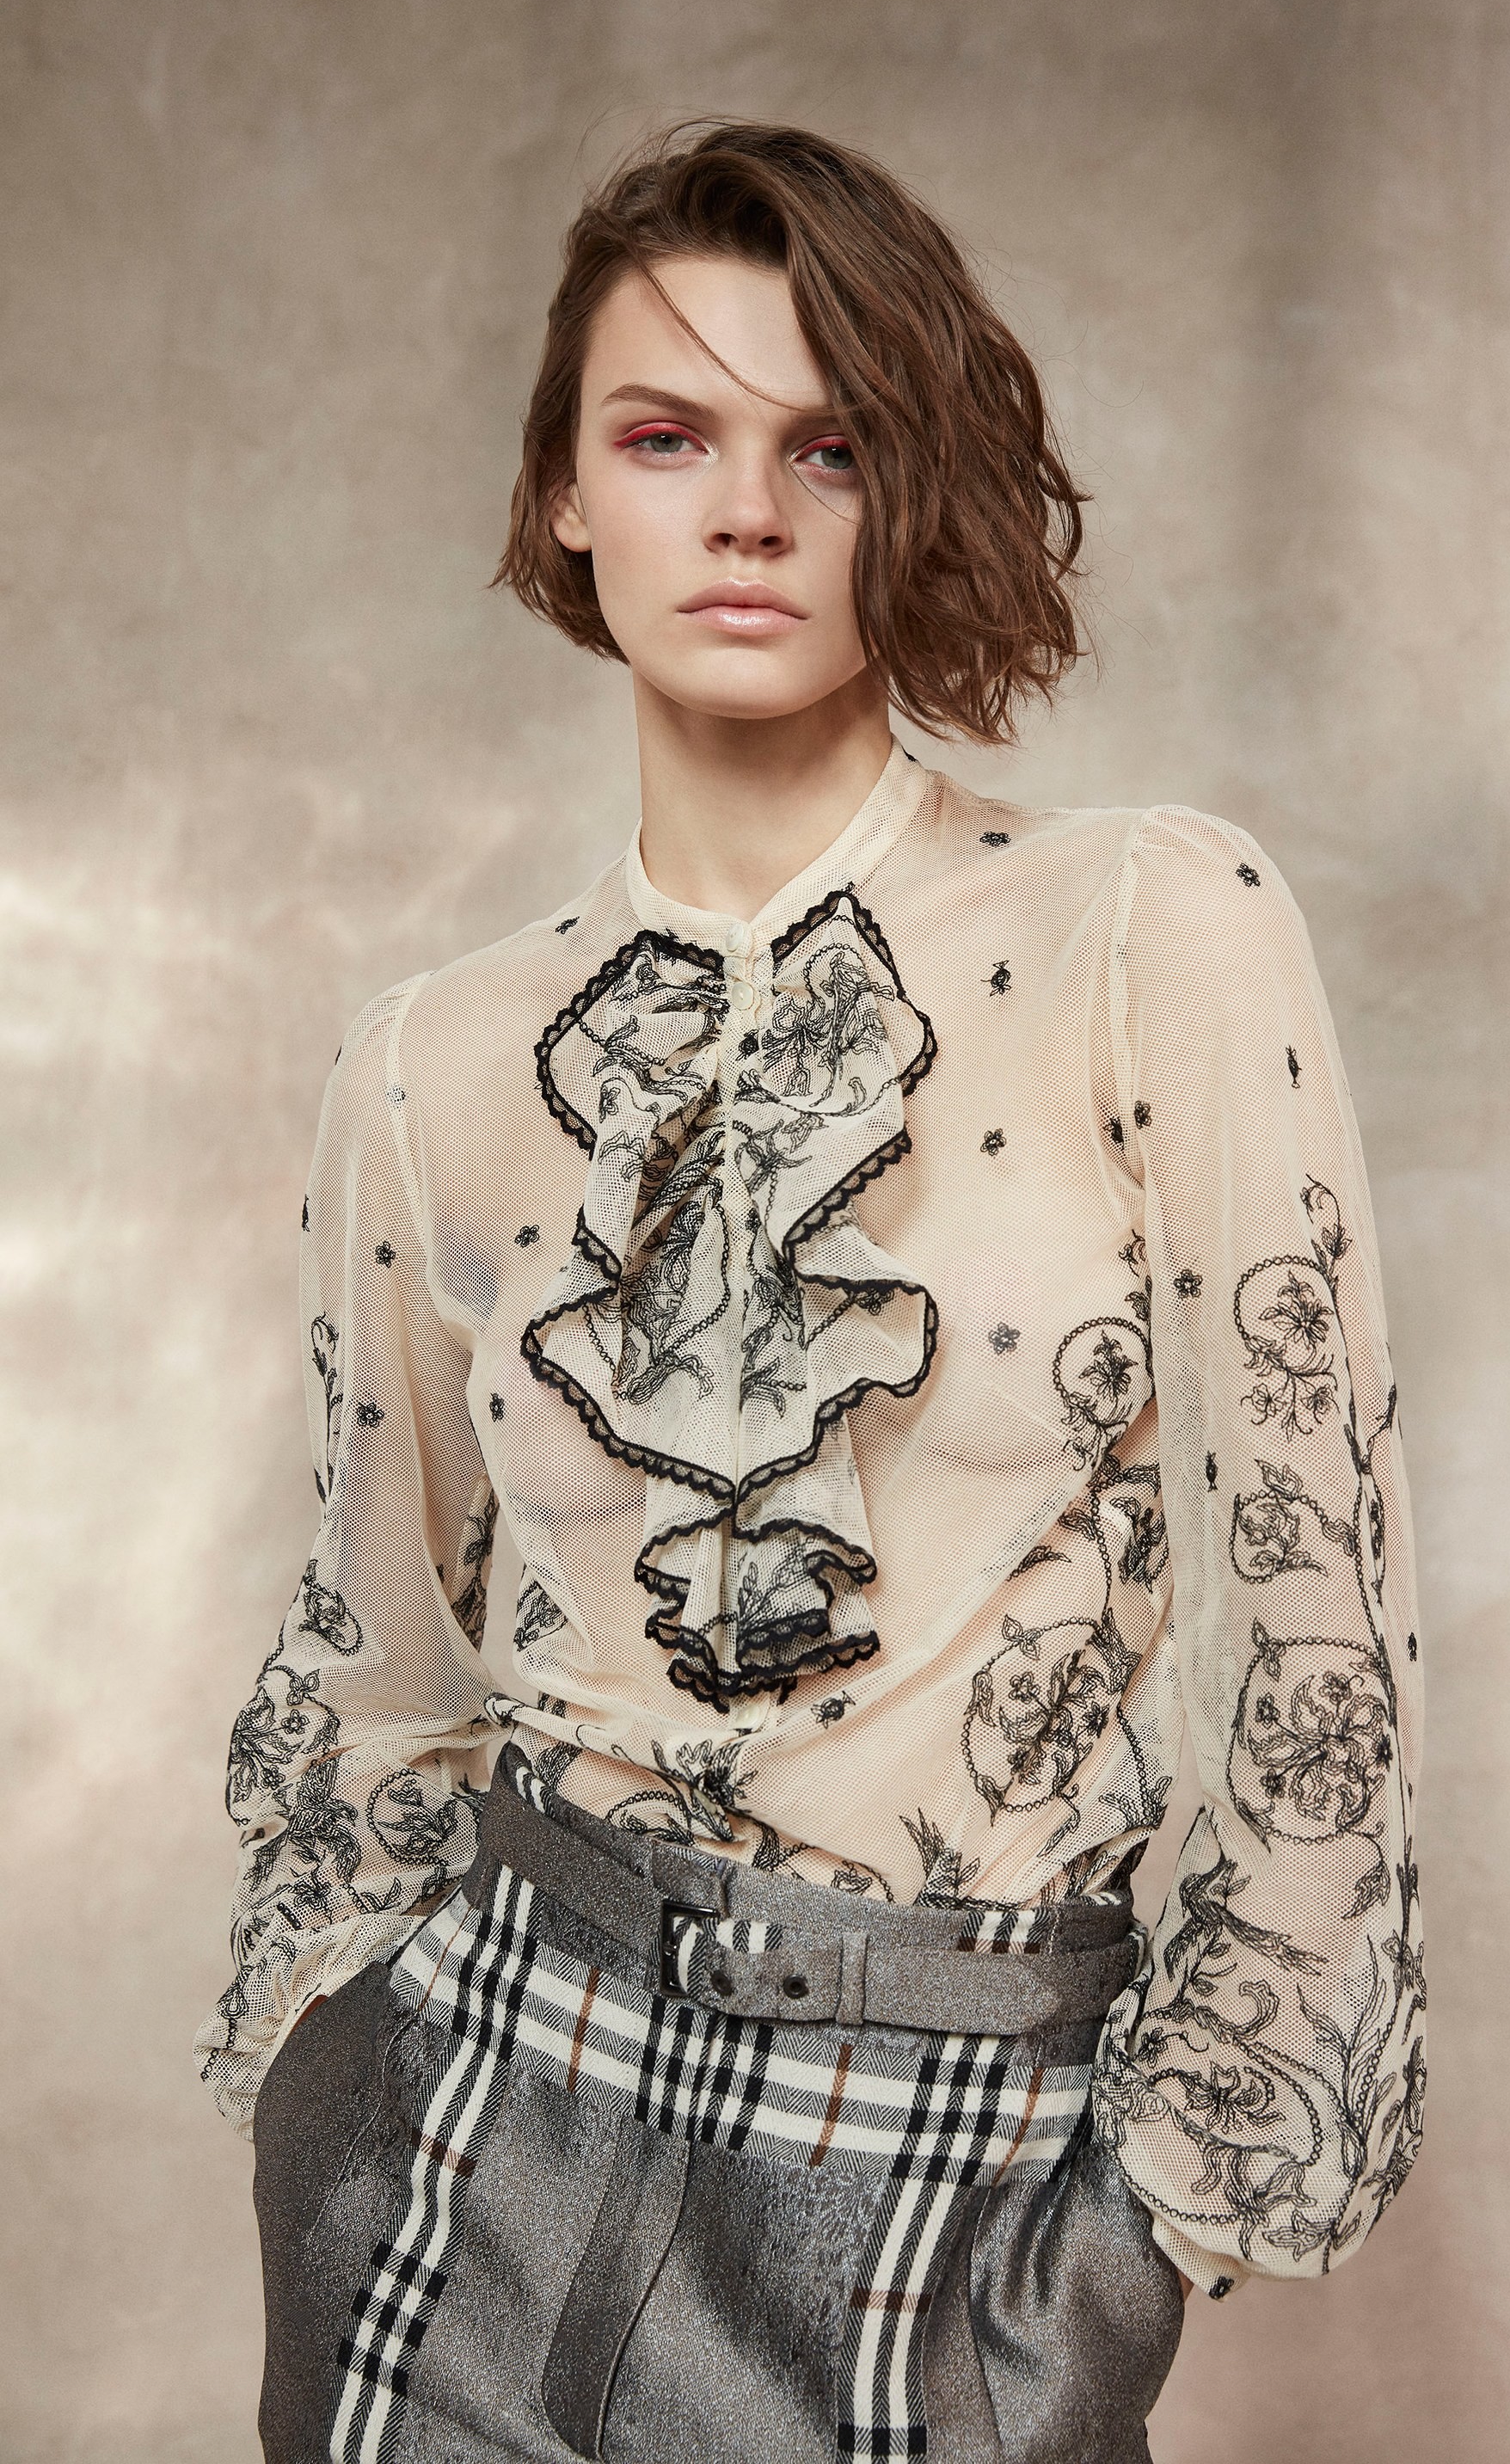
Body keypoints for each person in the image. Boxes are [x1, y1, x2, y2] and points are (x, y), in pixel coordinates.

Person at [194, 119, 1426, 2464]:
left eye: (826, 446)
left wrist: (1147, 2234)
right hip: (463, 2148)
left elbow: (1315, 1619)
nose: (746, 513)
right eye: (667, 438)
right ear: (567, 492)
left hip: (954, 2188)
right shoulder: (433, 1068)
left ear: (907, 489)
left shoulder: (1150, 930)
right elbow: (373, 1665)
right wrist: (327, 2072)